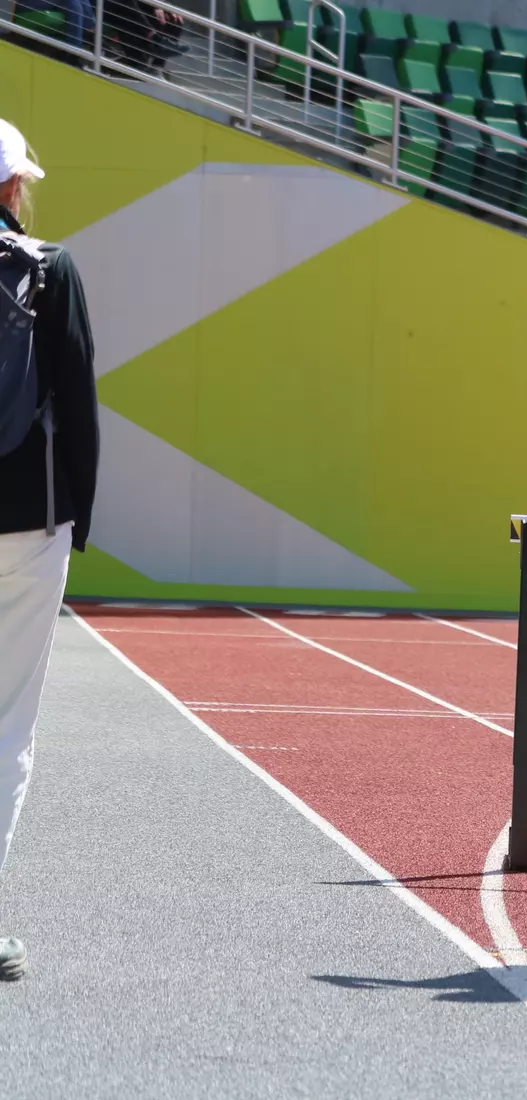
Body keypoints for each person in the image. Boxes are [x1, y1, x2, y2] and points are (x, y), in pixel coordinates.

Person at [0, 117, 100, 982]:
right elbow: (78, 399)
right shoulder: (49, 268)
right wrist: (79, 515)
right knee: (7, 723)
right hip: (27, 521)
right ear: (12, 187)